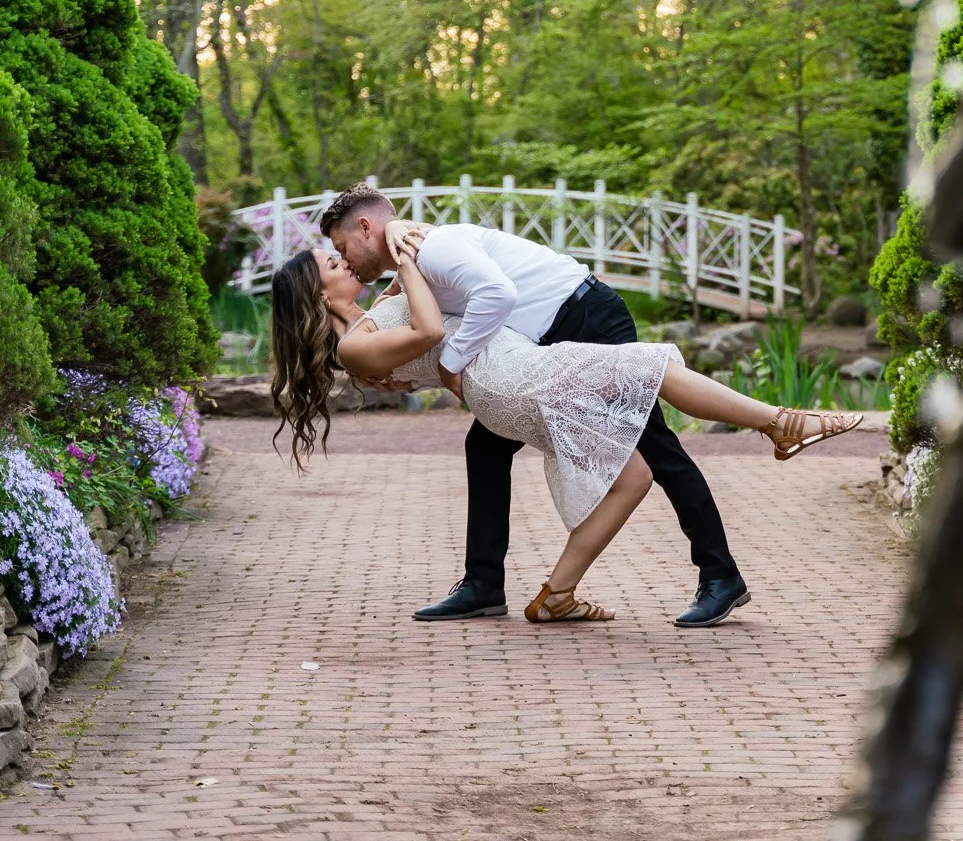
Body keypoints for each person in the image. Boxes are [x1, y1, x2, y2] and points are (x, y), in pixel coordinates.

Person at [274, 183, 859, 625]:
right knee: (488, 448)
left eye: (341, 246)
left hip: (580, 317)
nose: (343, 257)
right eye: (333, 258)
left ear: (368, 227)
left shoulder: (431, 249)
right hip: (528, 356)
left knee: (654, 447)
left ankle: (719, 574)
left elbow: (483, 301)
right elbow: (413, 330)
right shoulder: (401, 274)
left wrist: (443, 361)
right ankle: (487, 584)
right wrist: (412, 360)